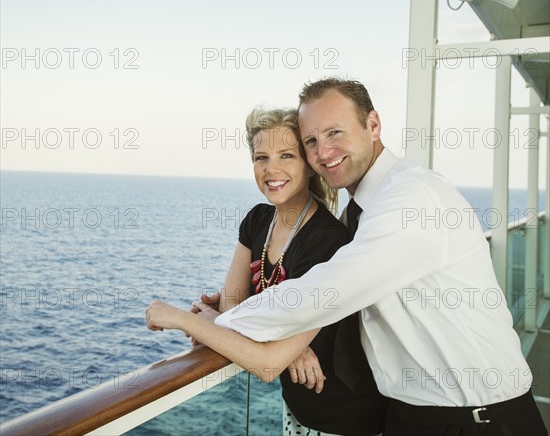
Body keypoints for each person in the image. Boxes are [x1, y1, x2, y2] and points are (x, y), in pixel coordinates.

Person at [209, 78, 548, 435]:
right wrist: (254, 309)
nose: (324, 152)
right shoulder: (360, 213)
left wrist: (216, 320)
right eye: (311, 141)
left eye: (335, 133)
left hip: (478, 421)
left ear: (373, 125)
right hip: (410, 415)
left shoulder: (410, 201)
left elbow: (318, 296)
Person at [146, 107, 388, 436]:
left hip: (347, 418)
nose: (271, 169)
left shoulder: (328, 242)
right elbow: (232, 311)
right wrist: (285, 342)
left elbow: (266, 363)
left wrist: (184, 318)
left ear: (309, 163)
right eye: (261, 157)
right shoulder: (258, 220)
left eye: (286, 155)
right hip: (296, 407)